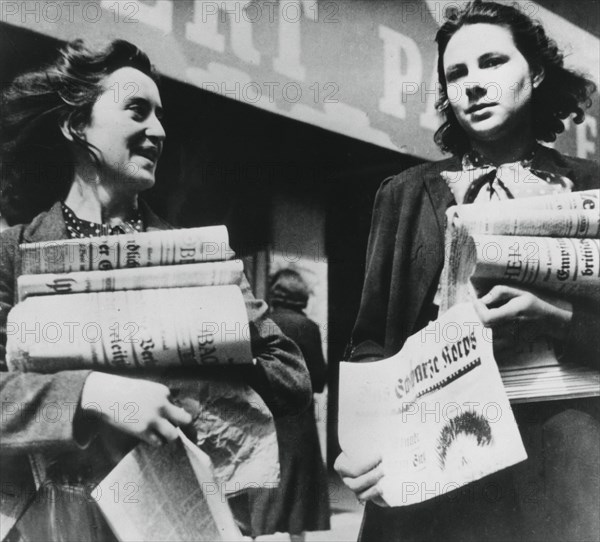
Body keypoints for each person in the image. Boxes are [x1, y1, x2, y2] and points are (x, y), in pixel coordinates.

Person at [0, 39, 311, 541]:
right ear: (76, 125)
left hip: (171, 518)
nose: (159, 132)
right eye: (137, 111)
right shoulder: (13, 253)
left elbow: (289, 374)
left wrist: (187, 362)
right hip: (49, 523)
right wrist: (96, 392)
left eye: (161, 116)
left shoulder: (197, 257)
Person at [335, 2, 599, 541]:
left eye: (493, 62)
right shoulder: (405, 195)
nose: (474, 85)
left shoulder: (592, 189)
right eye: (457, 74)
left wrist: (555, 317)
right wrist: (360, 443)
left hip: (564, 454)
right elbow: (369, 343)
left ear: (538, 72)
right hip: (439, 455)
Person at [248, 269, 330, 541]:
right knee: (298, 493)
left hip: (266, 418)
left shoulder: (262, 324)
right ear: (302, 296)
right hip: (299, 421)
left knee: (266, 488)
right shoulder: (308, 328)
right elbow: (317, 381)